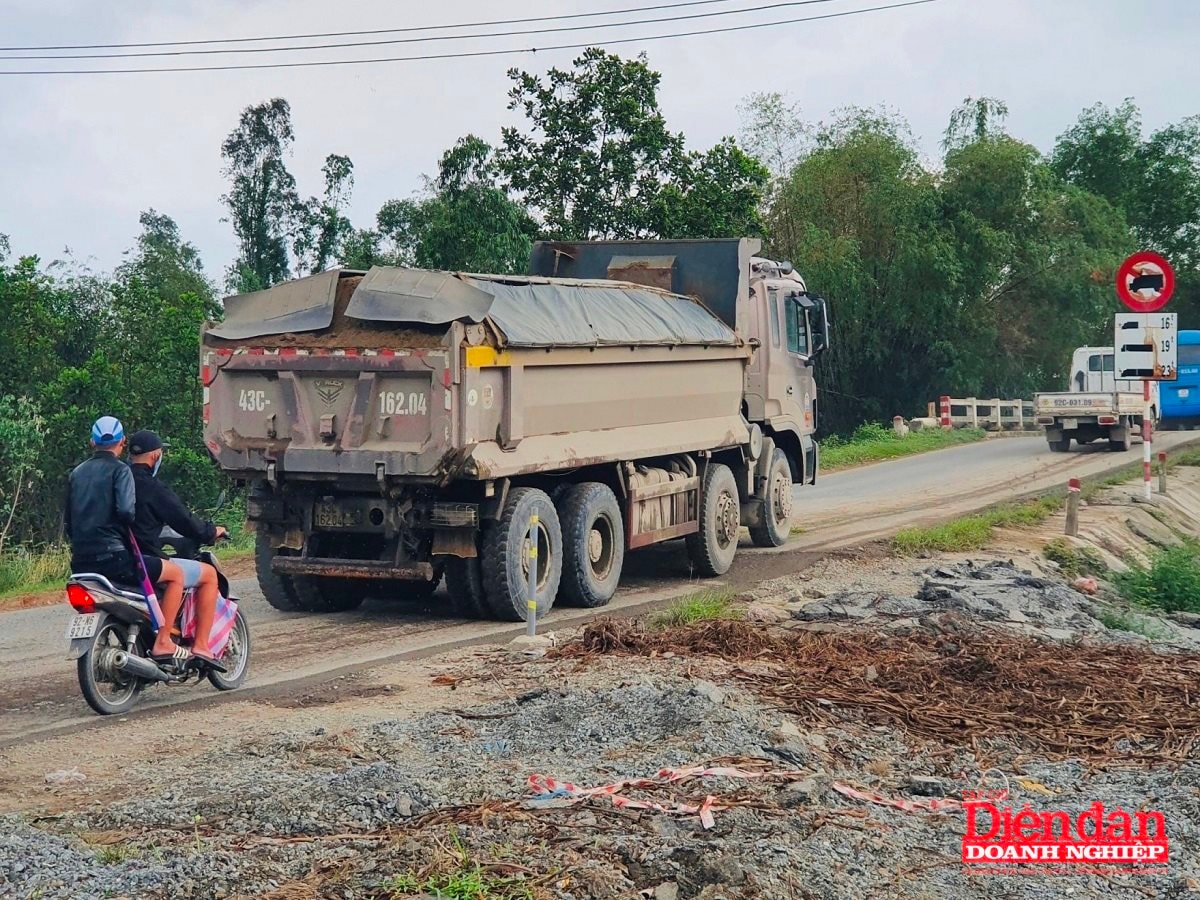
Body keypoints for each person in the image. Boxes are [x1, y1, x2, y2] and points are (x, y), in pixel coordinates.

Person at [127, 430, 228, 671]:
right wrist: (211, 532)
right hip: (146, 559)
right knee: (208, 575)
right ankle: (201, 646)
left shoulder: (118, 481)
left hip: (120, 556)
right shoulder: (152, 487)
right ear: (155, 456)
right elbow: (183, 519)